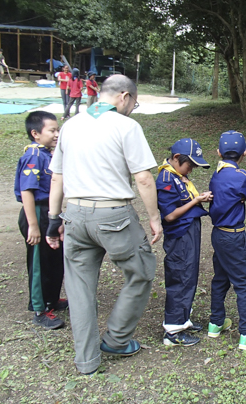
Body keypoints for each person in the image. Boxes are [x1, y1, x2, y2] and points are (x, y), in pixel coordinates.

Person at [46, 74, 163, 375]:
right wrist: (154, 218)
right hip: (114, 216)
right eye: (134, 104)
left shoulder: (71, 125)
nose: (132, 109)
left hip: (74, 215)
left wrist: (52, 219)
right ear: (125, 96)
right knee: (141, 271)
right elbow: (143, 177)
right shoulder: (126, 126)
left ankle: (86, 361)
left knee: (79, 288)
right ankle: (116, 340)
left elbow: (57, 177)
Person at [208, 131, 246, 350]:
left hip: (217, 234)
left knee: (220, 278)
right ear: (245, 153)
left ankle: (215, 323)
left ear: (218, 153)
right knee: (242, 284)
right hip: (234, 235)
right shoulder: (241, 176)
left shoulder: (216, 174)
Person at [156, 138, 212, 346]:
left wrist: (199, 198)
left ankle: (183, 318)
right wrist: (196, 201)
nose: (192, 170)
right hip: (179, 236)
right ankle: (173, 331)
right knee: (180, 276)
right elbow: (170, 215)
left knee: (189, 275)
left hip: (189, 231)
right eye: (191, 165)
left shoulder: (178, 175)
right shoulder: (166, 179)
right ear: (177, 158)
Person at [14, 111, 66, 330]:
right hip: (36, 213)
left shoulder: (47, 153)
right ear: (35, 133)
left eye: (57, 129)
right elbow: (27, 191)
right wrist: (33, 226)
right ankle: (39, 309)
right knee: (39, 264)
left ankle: (51, 300)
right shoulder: (33, 155)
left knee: (54, 260)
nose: (56, 134)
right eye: (52, 130)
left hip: (48, 213)